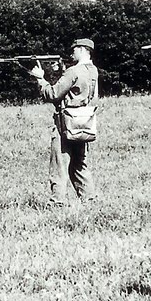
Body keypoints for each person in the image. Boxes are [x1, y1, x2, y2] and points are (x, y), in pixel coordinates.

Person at [27, 38, 99, 207]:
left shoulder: (73, 72)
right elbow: (76, 90)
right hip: (84, 123)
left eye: (74, 49)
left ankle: (57, 202)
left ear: (82, 49)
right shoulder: (93, 71)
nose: (71, 52)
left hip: (65, 124)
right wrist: (62, 71)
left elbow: (53, 95)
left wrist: (41, 79)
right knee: (79, 164)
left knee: (59, 164)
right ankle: (89, 201)